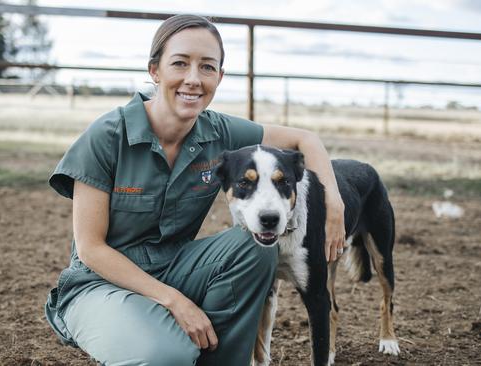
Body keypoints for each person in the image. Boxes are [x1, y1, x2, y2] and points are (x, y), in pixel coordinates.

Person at [45, 14, 345, 366]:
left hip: (176, 266)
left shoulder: (217, 131)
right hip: (100, 282)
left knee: (257, 245)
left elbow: (304, 139)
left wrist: (334, 203)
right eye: (180, 63)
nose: (193, 79)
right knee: (166, 356)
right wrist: (175, 301)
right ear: (155, 71)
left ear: (219, 77)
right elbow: (92, 249)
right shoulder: (107, 136)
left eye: (207, 67)